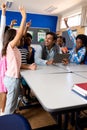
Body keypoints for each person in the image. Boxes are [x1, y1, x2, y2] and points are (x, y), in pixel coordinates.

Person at [2, 6, 26, 115]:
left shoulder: (14, 48)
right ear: (13, 38)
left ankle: (12, 114)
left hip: (12, 78)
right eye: (18, 37)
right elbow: (20, 33)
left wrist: (29, 66)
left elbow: (22, 33)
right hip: (11, 80)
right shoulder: (10, 47)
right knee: (10, 104)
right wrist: (24, 16)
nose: (20, 38)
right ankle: (7, 120)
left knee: (14, 100)